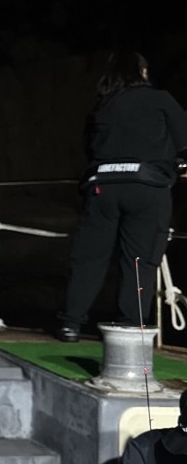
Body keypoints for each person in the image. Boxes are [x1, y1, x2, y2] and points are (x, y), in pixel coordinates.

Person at [56, 50, 187, 342]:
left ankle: (71, 324)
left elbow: (89, 149)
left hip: (101, 187)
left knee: (89, 258)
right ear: (142, 72)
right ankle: (130, 327)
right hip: (146, 187)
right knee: (139, 261)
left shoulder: (102, 105)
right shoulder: (161, 99)